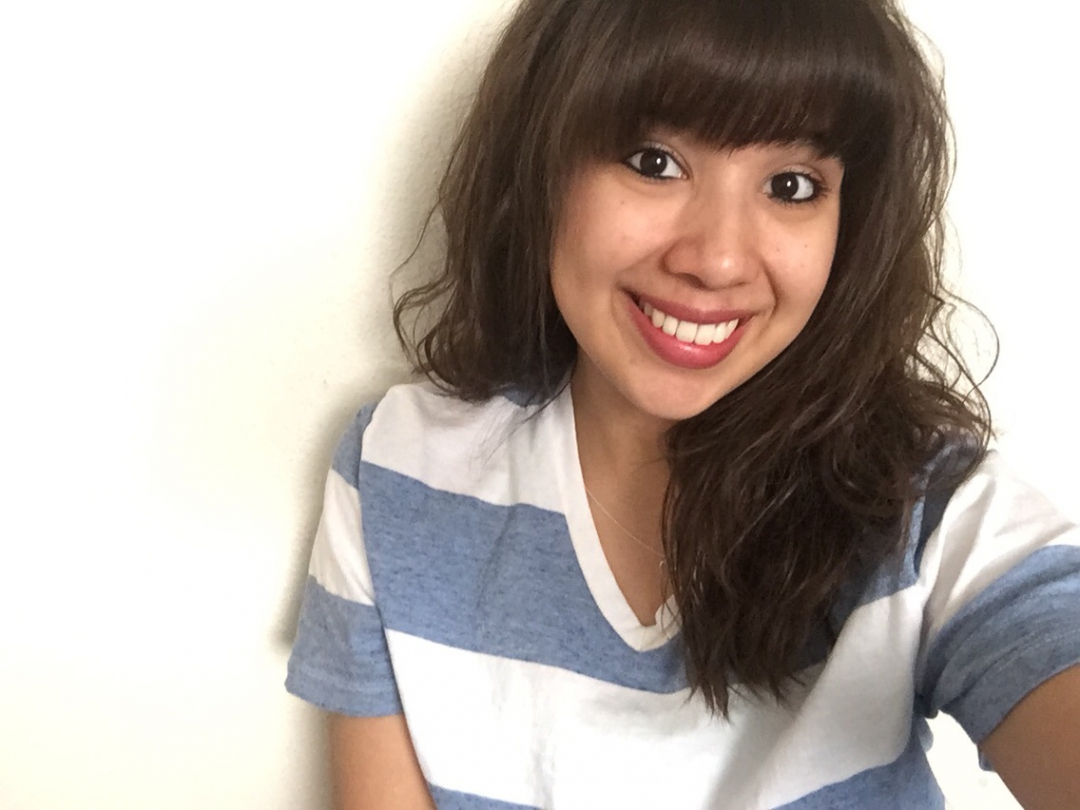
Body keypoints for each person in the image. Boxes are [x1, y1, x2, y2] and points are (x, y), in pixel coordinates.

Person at [285, 0, 1080, 806]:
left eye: (792, 185)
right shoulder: (397, 473)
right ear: (541, 166)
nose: (718, 259)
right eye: (654, 162)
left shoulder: (923, 513)